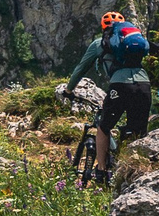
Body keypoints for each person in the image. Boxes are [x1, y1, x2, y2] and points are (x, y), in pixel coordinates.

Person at [61, 10, 153, 180]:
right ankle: (137, 172)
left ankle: (102, 171)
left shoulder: (99, 44)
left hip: (119, 86)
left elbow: (81, 68)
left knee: (103, 127)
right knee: (138, 131)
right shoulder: (135, 42)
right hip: (144, 85)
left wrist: (68, 90)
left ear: (104, 28)